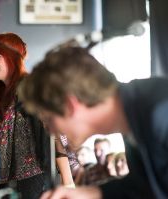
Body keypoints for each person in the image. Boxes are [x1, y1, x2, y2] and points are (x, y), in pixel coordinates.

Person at [18, 43, 167, 198]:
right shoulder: (131, 122)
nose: (50, 130)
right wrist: (91, 194)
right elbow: (141, 188)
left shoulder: (160, 113)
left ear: (70, 105)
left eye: (48, 119)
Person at [0, 32, 74, 199]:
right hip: (9, 181)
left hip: (34, 180)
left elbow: (56, 133)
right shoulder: (4, 96)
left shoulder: (30, 88)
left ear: (12, 58)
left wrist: (68, 182)